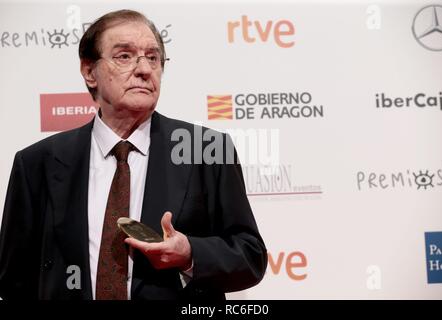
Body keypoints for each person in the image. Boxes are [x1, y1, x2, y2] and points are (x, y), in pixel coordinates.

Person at [0, 9, 267, 300]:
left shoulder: (204, 149)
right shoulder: (37, 163)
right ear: (89, 72)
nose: (144, 69)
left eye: (153, 58)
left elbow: (250, 256)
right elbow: (14, 281)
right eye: (124, 56)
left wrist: (190, 253)